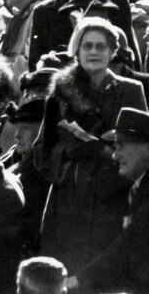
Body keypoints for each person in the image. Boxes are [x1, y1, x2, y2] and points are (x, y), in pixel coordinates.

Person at [36, 17, 148, 271]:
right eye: (87, 46)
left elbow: (141, 151)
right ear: (76, 51)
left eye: (101, 46)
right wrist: (67, 151)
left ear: (113, 52)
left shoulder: (130, 90)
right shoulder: (61, 92)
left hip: (111, 200)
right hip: (67, 202)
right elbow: (40, 151)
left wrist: (101, 149)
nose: (94, 52)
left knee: (101, 272)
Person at [70, 106, 149, 292]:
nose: (114, 155)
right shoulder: (140, 186)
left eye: (121, 145)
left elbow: (126, 246)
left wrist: (77, 281)